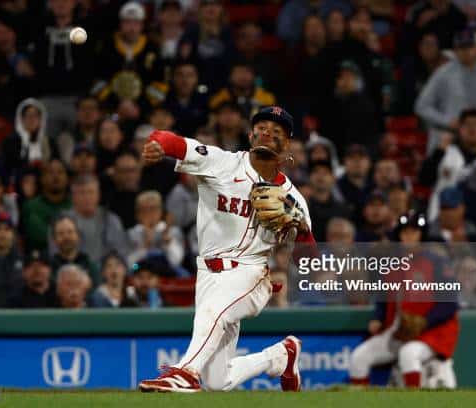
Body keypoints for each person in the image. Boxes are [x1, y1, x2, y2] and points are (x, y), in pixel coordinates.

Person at [138, 106, 314, 392]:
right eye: (262, 128)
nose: (268, 133)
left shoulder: (293, 197)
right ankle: (282, 355)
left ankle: (186, 372)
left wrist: (302, 231)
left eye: (277, 131)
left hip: (250, 273)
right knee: (220, 381)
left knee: (213, 311)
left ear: (287, 144)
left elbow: (310, 259)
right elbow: (176, 142)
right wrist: (158, 144)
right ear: (250, 134)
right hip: (208, 273)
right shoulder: (221, 163)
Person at [349, 213, 459, 388]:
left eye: (414, 232)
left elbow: (450, 304)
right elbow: (383, 297)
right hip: (399, 330)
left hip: (433, 333)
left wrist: (425, 321)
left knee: (408, 354)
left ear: (421, 235)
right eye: (405, 232)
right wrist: (378, 317)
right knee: (359, 357)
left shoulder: (437, 262)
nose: (409, 236)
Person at [415, 29, 476, 152]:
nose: (466, 52)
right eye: (461, 47)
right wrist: (447, 121)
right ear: (455, 50)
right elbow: (421, 106)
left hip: (474, 140)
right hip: (446, 137)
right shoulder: (443, 74)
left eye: (469, 46)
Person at [30, 0, 94, 138]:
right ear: (50, 3)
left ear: (74, 3)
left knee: (79, 144)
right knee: (46, 144)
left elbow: (91, 63)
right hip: (47, 99)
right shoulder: (39, 28)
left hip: (77, 99)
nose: (61, 3)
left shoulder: (86, 27)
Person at [95, 2, 164, 113]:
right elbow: (97, 79)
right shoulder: (107, 46)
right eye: (127, 22)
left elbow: (160, 83)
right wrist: (116, 104)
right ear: (120, 24)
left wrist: (140, 107)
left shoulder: (152, 48)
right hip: (109, 109)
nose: (132, 27)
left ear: (142, 25)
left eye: (136, 23)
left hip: (143, 112)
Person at [312, 60, 380, 155]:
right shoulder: (329, 105)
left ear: (358, 80)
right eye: (342, 77)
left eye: (350, 77)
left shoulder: (367, 104)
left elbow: (372, 134)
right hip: (335, 152)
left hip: (362, 152)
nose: (346, 81)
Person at [63, 174, 128, 263]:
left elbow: (120, 253)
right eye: (82, 192)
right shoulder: (62, 222)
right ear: (73, 196)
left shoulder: (111, 220)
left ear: (98, 195)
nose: (87, 197)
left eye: (91, 192)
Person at [0, 17, 35, 118]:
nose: (2, 37)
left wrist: (31, 74)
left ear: (14, 33)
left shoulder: (29, 55)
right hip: (1, 112)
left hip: (29, 111)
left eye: (6, 32)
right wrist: (4, 80)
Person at [178, 0, 234, 92]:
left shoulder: (227, 32)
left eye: (215, 4)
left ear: (222, 9)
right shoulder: (191, 31)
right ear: (200, 9)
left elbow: (231, 62)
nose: (211, 8)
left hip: (224, 87)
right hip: (197, 87)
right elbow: (184, 60)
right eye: (206, 4)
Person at [127, 190, 185, 275]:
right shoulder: (132, 234)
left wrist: (167, 241)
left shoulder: (173, 231)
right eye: (144, 209)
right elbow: (129, 264)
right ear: (138, 213)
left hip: (167, 275)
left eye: (153, 208)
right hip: (140, 275)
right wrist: (145, 246)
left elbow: (176, 262)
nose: (149, 213)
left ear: (161, 210)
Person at [22, 159, 72, 251]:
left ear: (67, 178)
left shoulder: (75, 206)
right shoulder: (30, 207)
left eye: (60, 172)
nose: (55, 176)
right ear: (41, 178)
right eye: (50, 172)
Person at [1, 97, 57, 179]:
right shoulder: (10, 143)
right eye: (28, 115)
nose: (32, 119)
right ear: (21, 119)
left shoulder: (50, 142)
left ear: (41, 119)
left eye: (35, 115)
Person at [398, 32, 449, 115]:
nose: (428, 48)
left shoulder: (447, 68)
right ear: (419, 47)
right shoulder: (410, 68)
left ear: (439, 48)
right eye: (424, 44)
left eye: (432, 44)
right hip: (417, 115)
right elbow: (407, 99)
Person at [209, 61, 276, 120]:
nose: (243, 76)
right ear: (230, 77)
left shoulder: (267, 98)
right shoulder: (218, 99)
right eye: (239, 72)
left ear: (254, 76)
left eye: (247, 72)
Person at [307, 160, 351, 242]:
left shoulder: (343, 210)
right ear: (309, 177)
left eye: (325, 173)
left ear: (333, 178)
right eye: (316, 172)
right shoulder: (302, 209)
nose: (320, 176)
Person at [162, 61, 209, 137]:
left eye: (190, 75)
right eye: (180, 75)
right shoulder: (163, 101)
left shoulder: (205, 101)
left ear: (197, 78)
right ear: (173, 78)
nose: (185, 80)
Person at [48, 215, 99, 285]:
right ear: (54, 239)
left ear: (78, 236)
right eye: (61, 233)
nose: (66, 237)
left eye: (70, 232)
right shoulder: (49, 269)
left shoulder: (90, 266)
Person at [56, 96, 102, 165]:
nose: (88, 112)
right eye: (83, 108)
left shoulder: (105, 135)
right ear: (77, 113)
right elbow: (68, 163)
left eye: (92, 108)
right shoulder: (67, 137)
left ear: (99, 114)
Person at [101, 151, 142, 229]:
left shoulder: (147, 199)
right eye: (124, 171)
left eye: (132, 170)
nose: (129, 175)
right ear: (115, 174)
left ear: (138, 173)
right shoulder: (106, 201)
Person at [337, 144, 374, 223]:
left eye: (361, 158)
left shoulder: (376, 186)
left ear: (369, 162)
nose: (357, 161)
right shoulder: (335, 187)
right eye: (352, 158)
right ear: (344, 162)